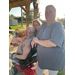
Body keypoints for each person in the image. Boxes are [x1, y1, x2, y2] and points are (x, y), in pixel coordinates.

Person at [31, 5, 65, 75]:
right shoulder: (43, 24)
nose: (48, 14)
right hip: (42, 58)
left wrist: (37, 41)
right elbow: (38, 35)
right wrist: (34, 39)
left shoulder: (57, 25)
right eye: (46, 12)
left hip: (53, 59)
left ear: (55, 13)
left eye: (50, 12)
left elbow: (53, 43)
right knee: (37, 72)